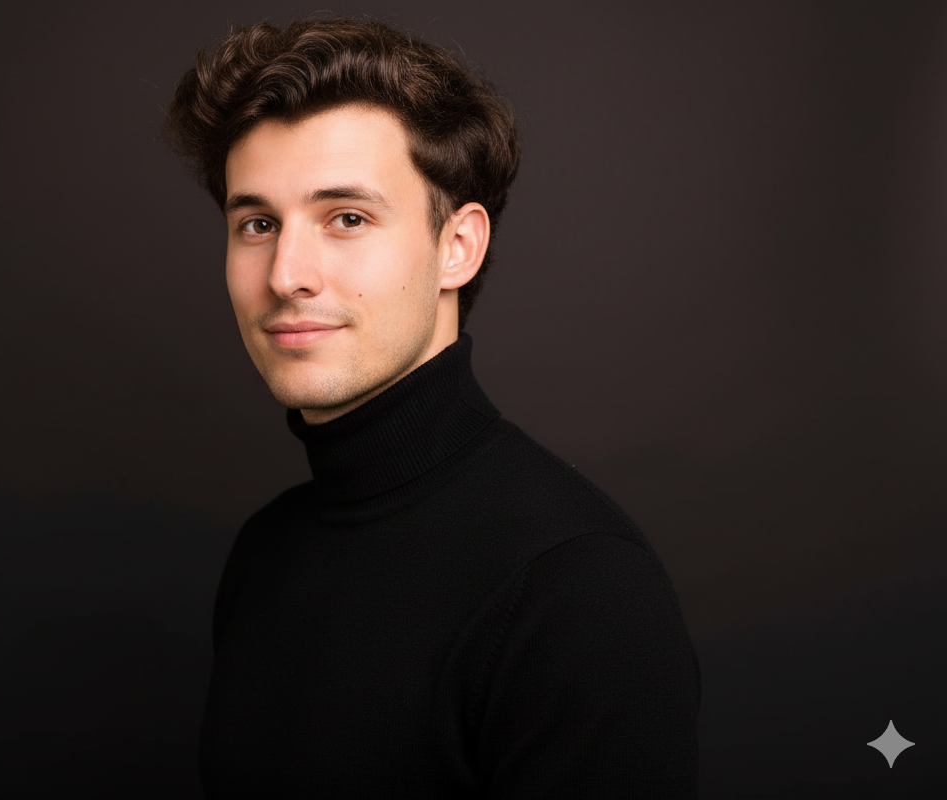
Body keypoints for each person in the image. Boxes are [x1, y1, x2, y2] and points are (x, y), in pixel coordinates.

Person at [164, 15, 700, 797]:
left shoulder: (577, 590)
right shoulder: (266, 551)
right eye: (257, 223)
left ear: (459, 246)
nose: (286, 274)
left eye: (346, 218)